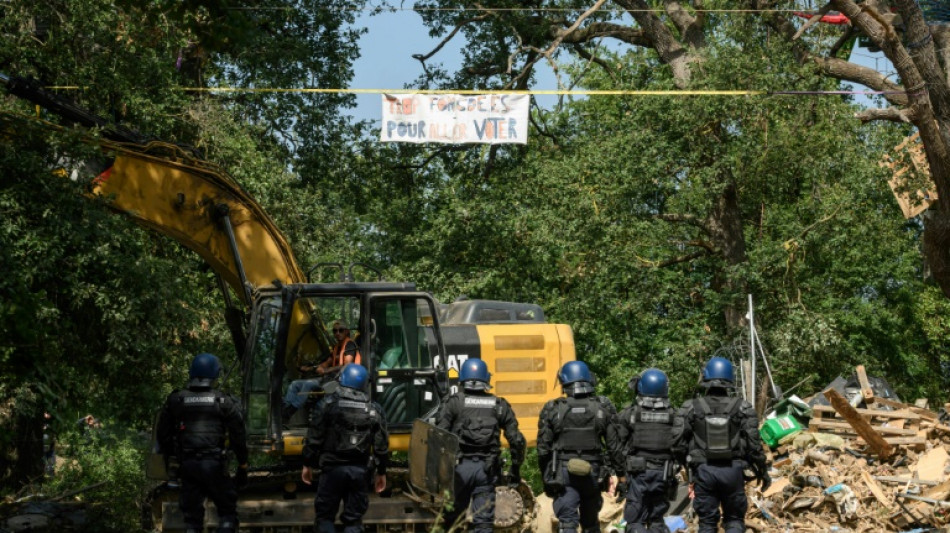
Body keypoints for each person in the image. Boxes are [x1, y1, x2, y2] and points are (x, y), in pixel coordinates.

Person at [156, 353, 248, 533]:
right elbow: (238, 435)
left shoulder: (177, 400)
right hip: (215, 465)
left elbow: (163, 435)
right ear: (214, 374)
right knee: (227, 514)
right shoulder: (223, 401)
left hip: (188, 465)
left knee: (192, 520)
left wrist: (174, 458)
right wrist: (243, 463)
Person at [681, 357, 770, 533]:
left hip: (704, 472)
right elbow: (754, 445)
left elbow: (677, 443)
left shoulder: (690, 408)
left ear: (705, 378)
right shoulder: (743, 408)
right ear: (730, 379)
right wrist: (762, 470)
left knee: (706, 524)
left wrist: (689, 468)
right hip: (733, 471)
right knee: (735, 521)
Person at [436, 358, 526, 533]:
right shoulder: (499, 405)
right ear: (486, 379)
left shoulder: (454, 403)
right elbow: (517, 440)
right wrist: (516, 469)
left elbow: (440, 436)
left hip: (459, 469)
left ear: (463, 378)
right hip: (487, 469)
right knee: (483, 522)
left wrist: (440, 470)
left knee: (452, 520)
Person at [301, 363, 388, 533]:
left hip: (332, 470)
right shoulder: (375, 409)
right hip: (360, 472)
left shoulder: (327, 404)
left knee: (325, 518)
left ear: (341, 379)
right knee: (354, 522)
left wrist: (307, 463)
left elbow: (314, 438)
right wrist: (382, 472)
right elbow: (381, 446)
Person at [537, 361, 622, 533]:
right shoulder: (602, 407)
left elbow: (543, 448)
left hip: (564, 473)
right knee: (591, 523)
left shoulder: (554, 409)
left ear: (564, 382)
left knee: (567, 523)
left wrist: (546, 477)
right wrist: (620, 474)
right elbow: (614, 447)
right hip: (593, 474)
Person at [615, 368, 686, 533]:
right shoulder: (674, 416)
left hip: (637, 474)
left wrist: (621, 475)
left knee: (635, 521)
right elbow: (680, 446)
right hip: (663, 474)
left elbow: (618, 446)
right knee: (657, 521)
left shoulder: (629, 414)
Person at [282, 320, 362, 421]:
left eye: (340, 330)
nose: (337, 333)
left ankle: (288, 413)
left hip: (342, 383)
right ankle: (284, 408)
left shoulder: (349, 345)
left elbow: (347, 365)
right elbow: (326, 363)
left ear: (346, 332)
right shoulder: (336, 348)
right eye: (335, 331)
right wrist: (310, 368)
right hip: (329, 380)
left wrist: (326, 371)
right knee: (295, 384)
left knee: (308, 385)